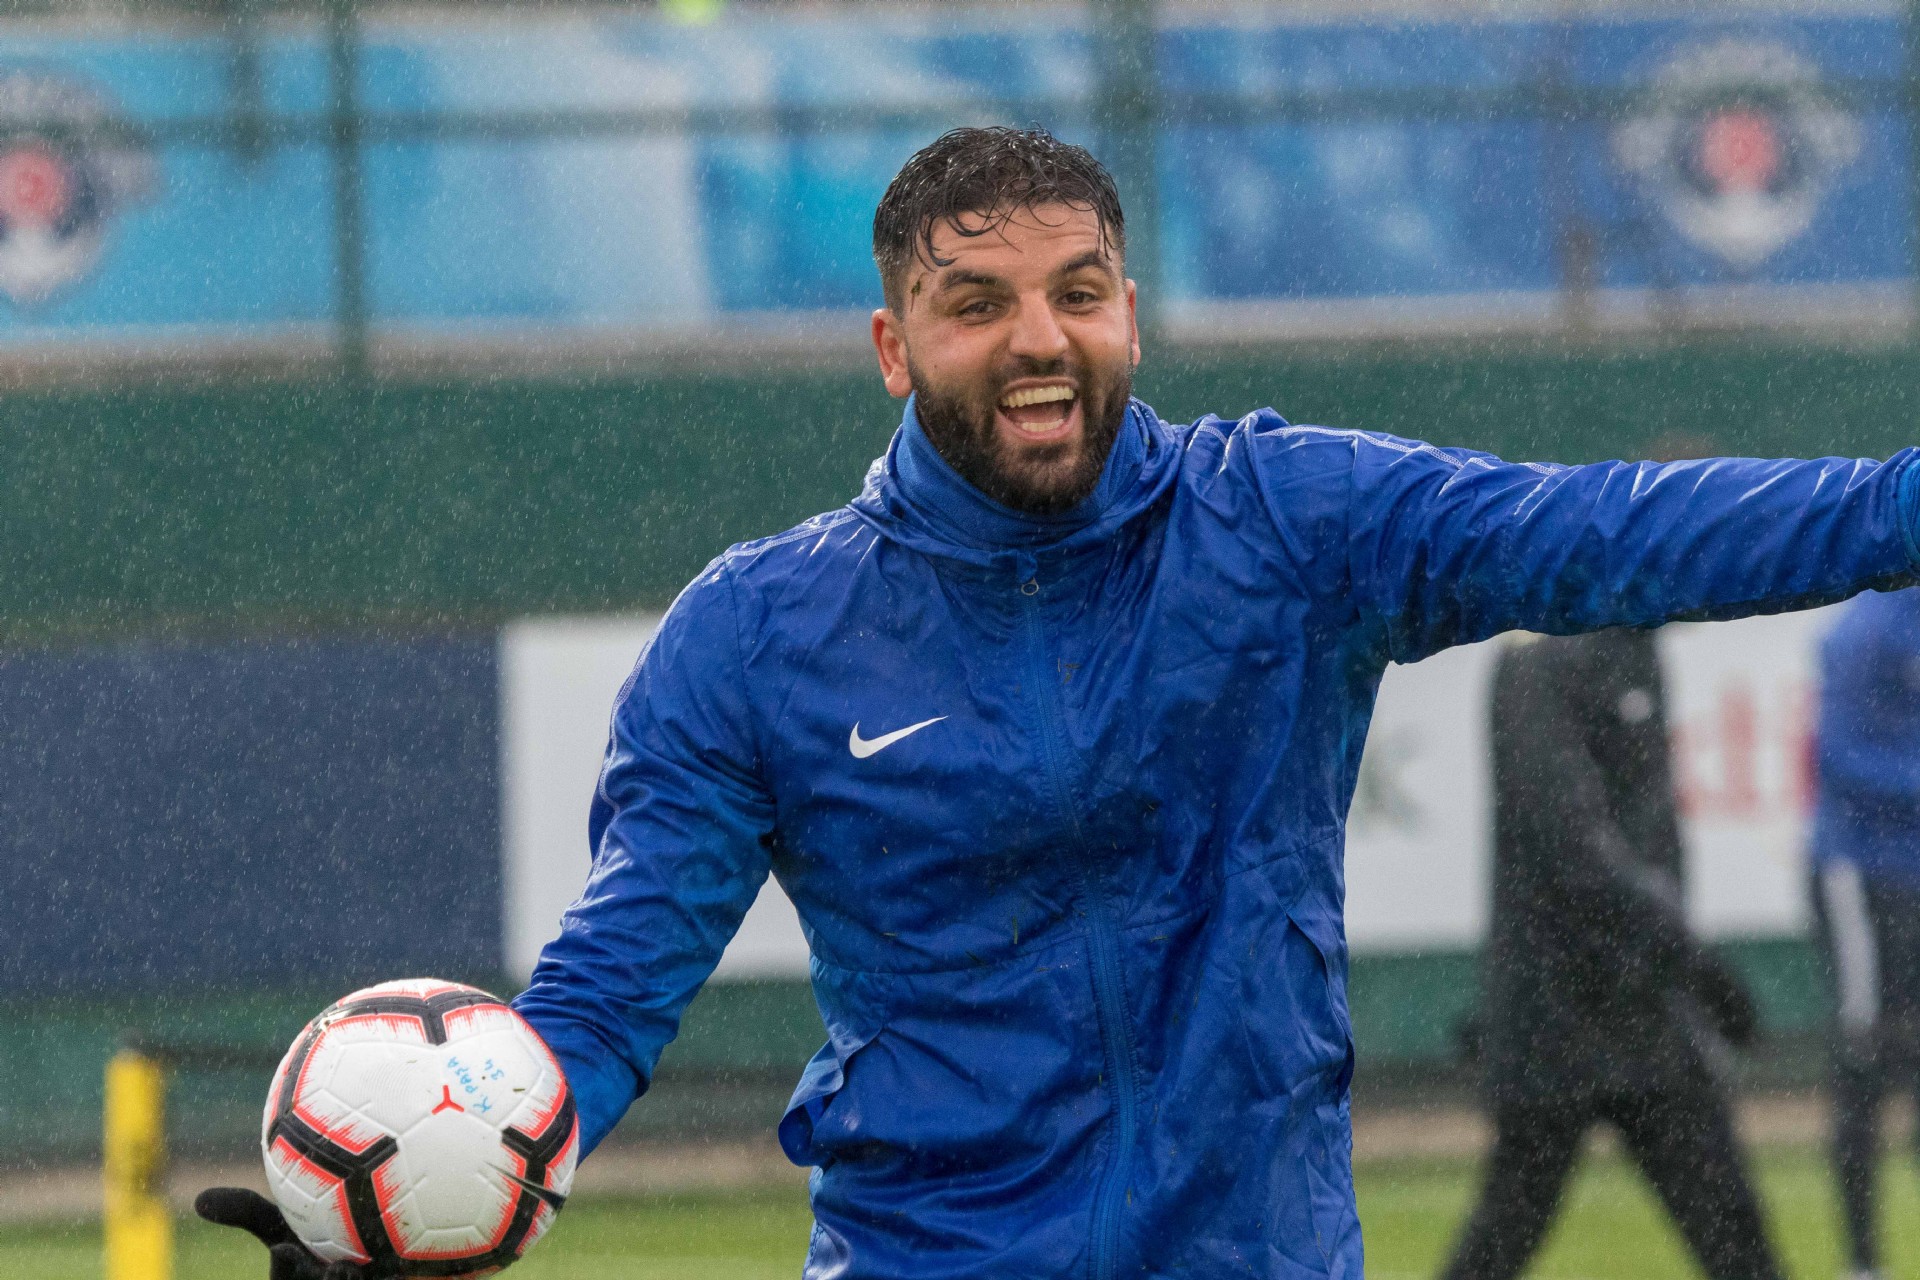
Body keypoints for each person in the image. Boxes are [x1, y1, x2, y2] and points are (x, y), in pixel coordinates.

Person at [200, 126, 1920, 1280]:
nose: (1039, 338)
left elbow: (1615, 533)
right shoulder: (755, 637)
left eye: (1077, 294)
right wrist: (451, 1191)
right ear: (893, 346)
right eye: (978, 305)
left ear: (1130, 315)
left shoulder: (1289, 525)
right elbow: (612, 988)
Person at [1439, 626, 1782, 1280]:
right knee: (1503, 1234)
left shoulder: (1637, 649)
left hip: (1646, 1011)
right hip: (1556, 1018)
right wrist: (1698, 965)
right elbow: (1572, 848)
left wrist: (1679, 967)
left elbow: (1628, 847)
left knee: (1737, 1240)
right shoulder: (1537, 659)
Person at [1808, 587, 1920, 1280]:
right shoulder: (1866, 631)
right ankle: (1863, 1263)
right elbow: (1839, 756)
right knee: (1864, 1054)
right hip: (1863, 873)